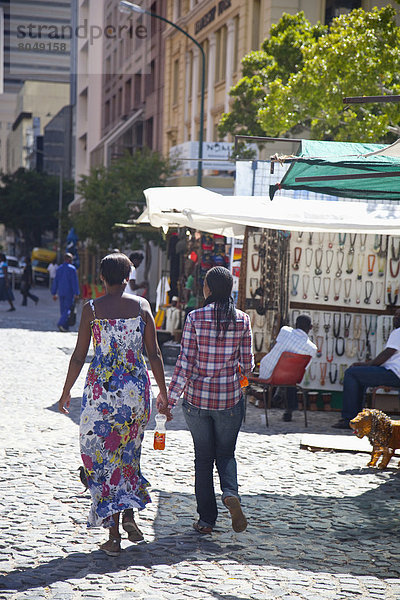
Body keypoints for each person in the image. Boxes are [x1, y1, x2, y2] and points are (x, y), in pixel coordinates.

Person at [58, 252, 168, 556]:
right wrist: (164, 394)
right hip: (135, 393)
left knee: (101, 459)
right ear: (128, 276)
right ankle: (129, 514)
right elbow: (155, 354)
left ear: (102, 278)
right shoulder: (143, 306)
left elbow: (80, 356)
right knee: (129, 456)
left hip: (103, 396)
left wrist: (66, 391)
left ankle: (114, 536)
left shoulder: (91, 309)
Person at [166, 266, 254, 535]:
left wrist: (168, 401)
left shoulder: (194, 318)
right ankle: (230, 493)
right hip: (228, 401)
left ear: (208, 289)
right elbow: (248, 365)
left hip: (196, 402)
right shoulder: (243, 320)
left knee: (203, 459)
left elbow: (184, 364)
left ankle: (206, 520)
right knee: (226, 454)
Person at [332, 308, 400, 429]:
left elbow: (387, 354)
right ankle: (358, 419)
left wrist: (366, 365)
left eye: (398, 315)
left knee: (351, 373)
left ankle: (350, 418)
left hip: (393, 374)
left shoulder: (398, 332)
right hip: (394, 373)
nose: (395, 317)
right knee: (359, 377)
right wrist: (366, 364)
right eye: (395, 314)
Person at [259, 315, 317, 421]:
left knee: (281, 370)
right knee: (290, 376)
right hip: (291, 378)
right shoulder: (312, 348)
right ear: (311, 327)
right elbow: (304, 368)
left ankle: (279, 392)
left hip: (268, 371)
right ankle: (287, 405)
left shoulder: (285, 330)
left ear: (295, 325)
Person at [51, 253, 80, 332]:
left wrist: (54, 293)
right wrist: (76, 293)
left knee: (63, 309)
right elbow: (74, 282)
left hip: (61, 291)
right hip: (69, 292)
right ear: (70, 260)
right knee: (67, 309)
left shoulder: (59, 269)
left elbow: (55, 281)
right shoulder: (72, 269)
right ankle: (61, 323)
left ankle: (65, 326)